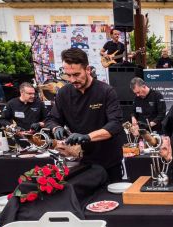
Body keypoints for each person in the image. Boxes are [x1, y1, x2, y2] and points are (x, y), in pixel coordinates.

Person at [46, 48, 125, 183]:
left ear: (87, 69)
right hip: (82, 161)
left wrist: (87, 137)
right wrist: (56, 128)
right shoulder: (64, 93)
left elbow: (115, 124)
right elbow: (51, 119)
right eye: (68, 75)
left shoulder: (106, 91)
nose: (72, 79)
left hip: (109, 160)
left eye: (76, 74)